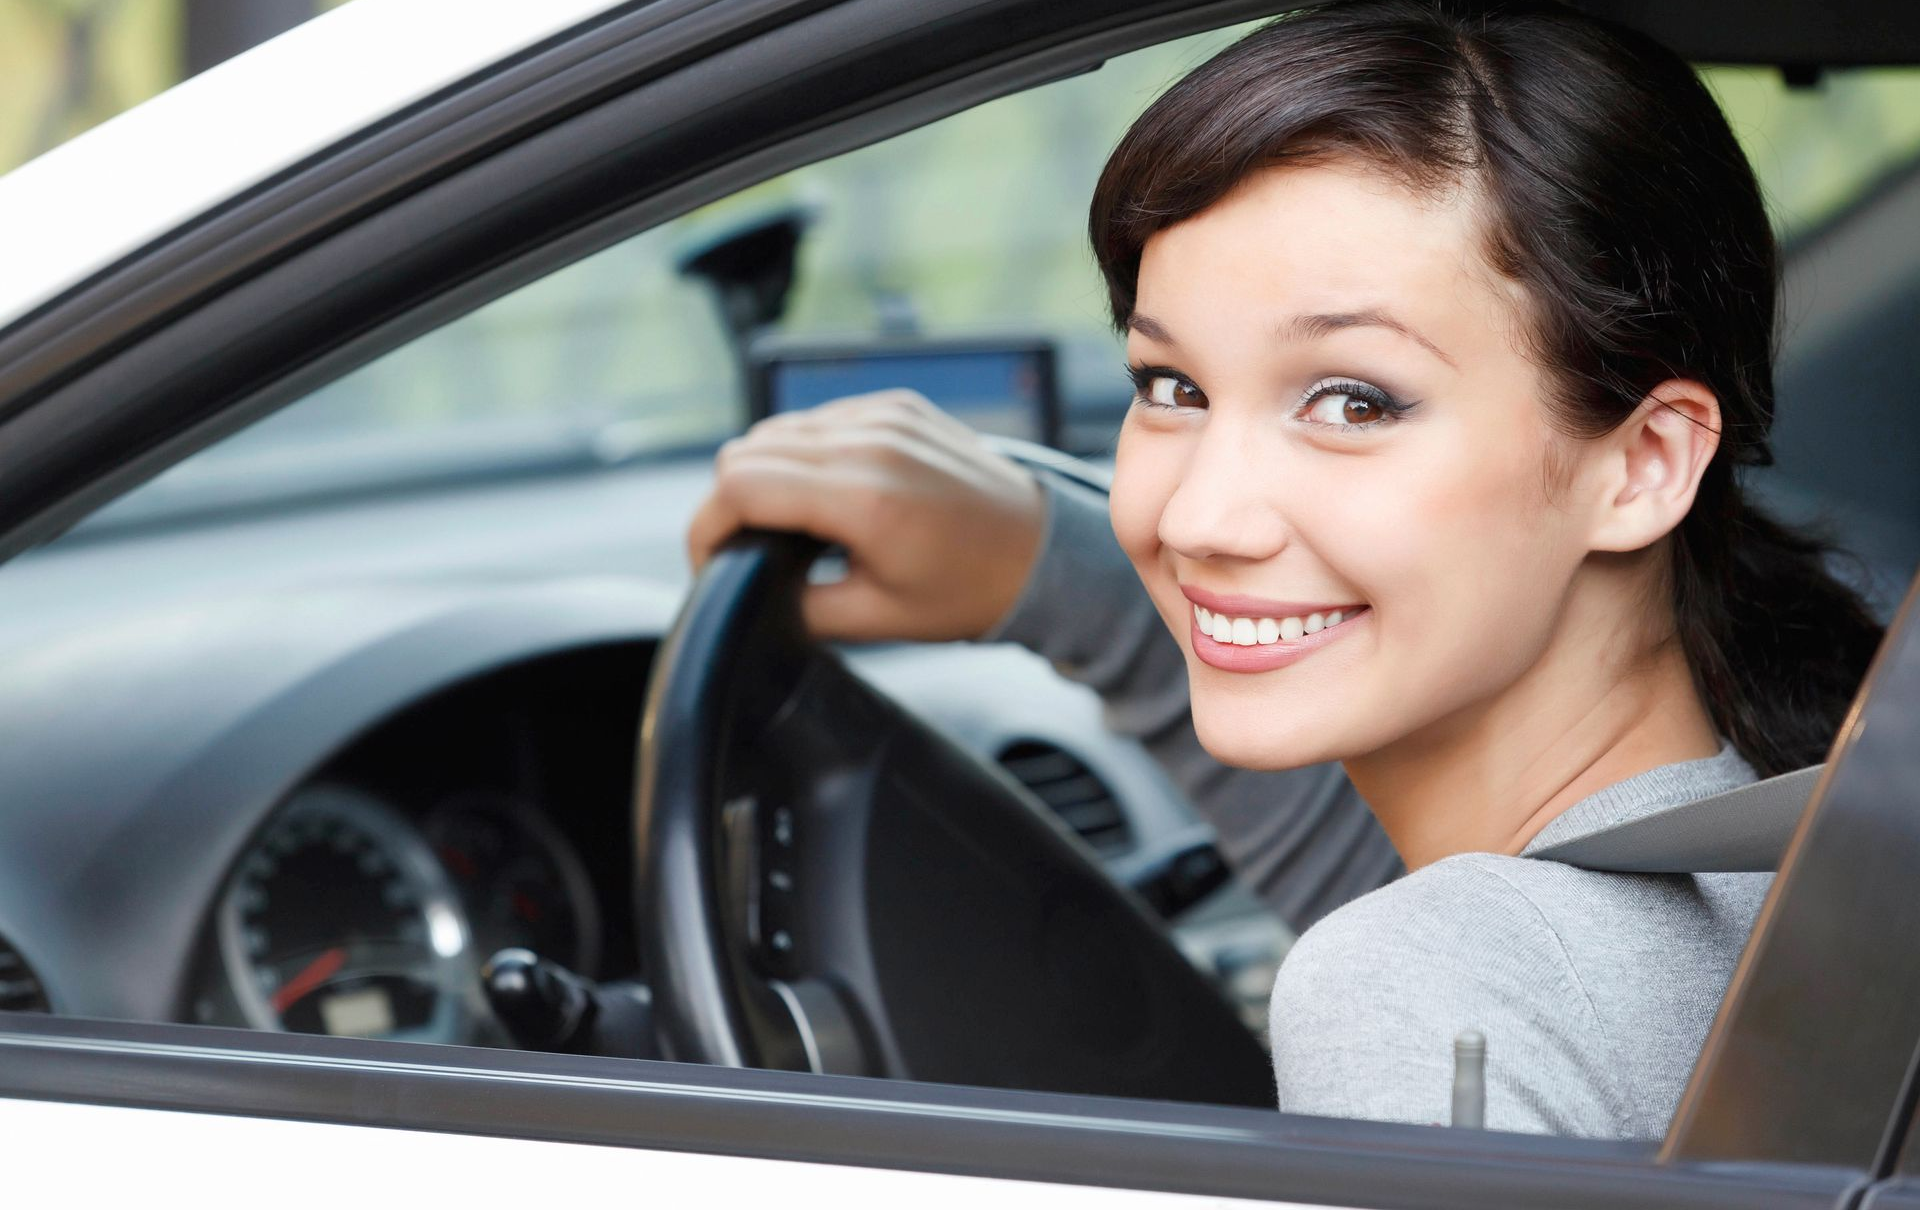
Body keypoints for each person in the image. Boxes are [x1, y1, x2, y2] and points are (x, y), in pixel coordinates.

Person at [693, 0, 1885, 1140]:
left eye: (1353, 401)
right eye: (1171, 387)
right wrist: (1042, 567)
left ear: (1641, 465)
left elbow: (1458, 952)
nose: (1200, 515)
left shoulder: (1430, 987)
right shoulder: (1805, 855)